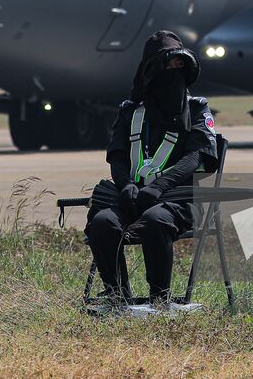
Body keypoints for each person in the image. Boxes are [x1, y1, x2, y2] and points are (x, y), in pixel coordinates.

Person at [85, 29, 218, 314]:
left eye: (180, 66)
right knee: (103, 221)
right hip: (131, 197)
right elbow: (117, 155)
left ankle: (160, 299)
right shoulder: (130, 111)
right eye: (169, 66)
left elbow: (197, 156)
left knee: (155, 220)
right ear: (152, 71)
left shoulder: (196, 109)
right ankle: (117, 297)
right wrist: (125, 186)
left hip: (178, 201)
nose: (175, 73)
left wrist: (159, 187)